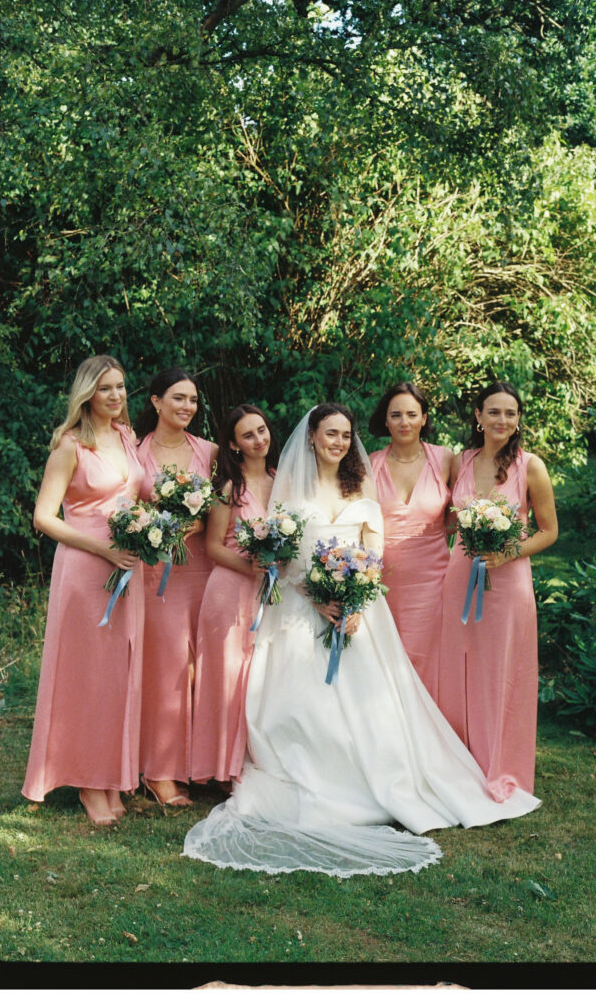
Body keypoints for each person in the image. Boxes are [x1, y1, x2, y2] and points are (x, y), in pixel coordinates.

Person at [183, 403, 540, 878]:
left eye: (346, 435)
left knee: (377, 703)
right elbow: (285, 554)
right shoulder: (288, 487)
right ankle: (310, 779)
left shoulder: (361, 483)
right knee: (297, 705)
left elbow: (375, 547)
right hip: (302, 607)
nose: (339, 442)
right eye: (330, 434)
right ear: (311, 437)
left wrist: (353, 598)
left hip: (359, 607)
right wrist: (317, 596)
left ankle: (383, 780)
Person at [22, 355, 145, 826]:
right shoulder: (70, 445)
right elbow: (45, 516)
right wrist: (103, 549)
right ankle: (89, 784)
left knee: (118, 674)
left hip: (127, 569)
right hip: (85, 570)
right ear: (87, 393)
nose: (116, 396)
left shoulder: (128, 438)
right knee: (89, 675)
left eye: (121, 387)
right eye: (106, 388)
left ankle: (112, 775)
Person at [438, 381, 558, 802]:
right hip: (460, 576)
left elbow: (549, 531)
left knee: (504, 670)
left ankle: (502, 765)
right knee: (459, 667)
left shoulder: (532, 466)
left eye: (510, 412)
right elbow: (448, 521)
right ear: (478, 416)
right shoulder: (461, 461)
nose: (502, 420)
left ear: (518, 418)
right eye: (494, 412)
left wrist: (508, 554)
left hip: (508, 581)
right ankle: (460, 760)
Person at [134, 368, 218, 808]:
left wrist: (196, 521)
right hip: (157, 576)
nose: (187, 407)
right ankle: (160, 771)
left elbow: (227, 507)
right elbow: (124, 510)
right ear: (155, 402)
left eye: (193, 400)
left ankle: (202, 765)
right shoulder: (135, 453)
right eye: (179, 398)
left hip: (204, 569)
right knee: (168, 669)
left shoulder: (210, 452)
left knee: (204, 669)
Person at [190, 405, 278, 788]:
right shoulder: (230, 487)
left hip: (266, 594)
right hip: (229, 592)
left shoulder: (281, 480)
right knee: (227, 679)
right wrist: (251, 568)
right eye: (248, 435)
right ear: (233, 444)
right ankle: (222, 770)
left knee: (259, 680)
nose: (259, 440)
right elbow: (212, 547)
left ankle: (254, 762)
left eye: (261, 430)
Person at [369, 383, 453, 702]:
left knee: (428, 658)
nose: (404, 421)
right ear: (386, 422)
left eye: (411, 414)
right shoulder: (370, 463)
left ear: (424, 419)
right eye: (396, 415)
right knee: (385, 660)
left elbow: (461, 510)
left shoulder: (446, 460)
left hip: (435, 580)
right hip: (381, 579)